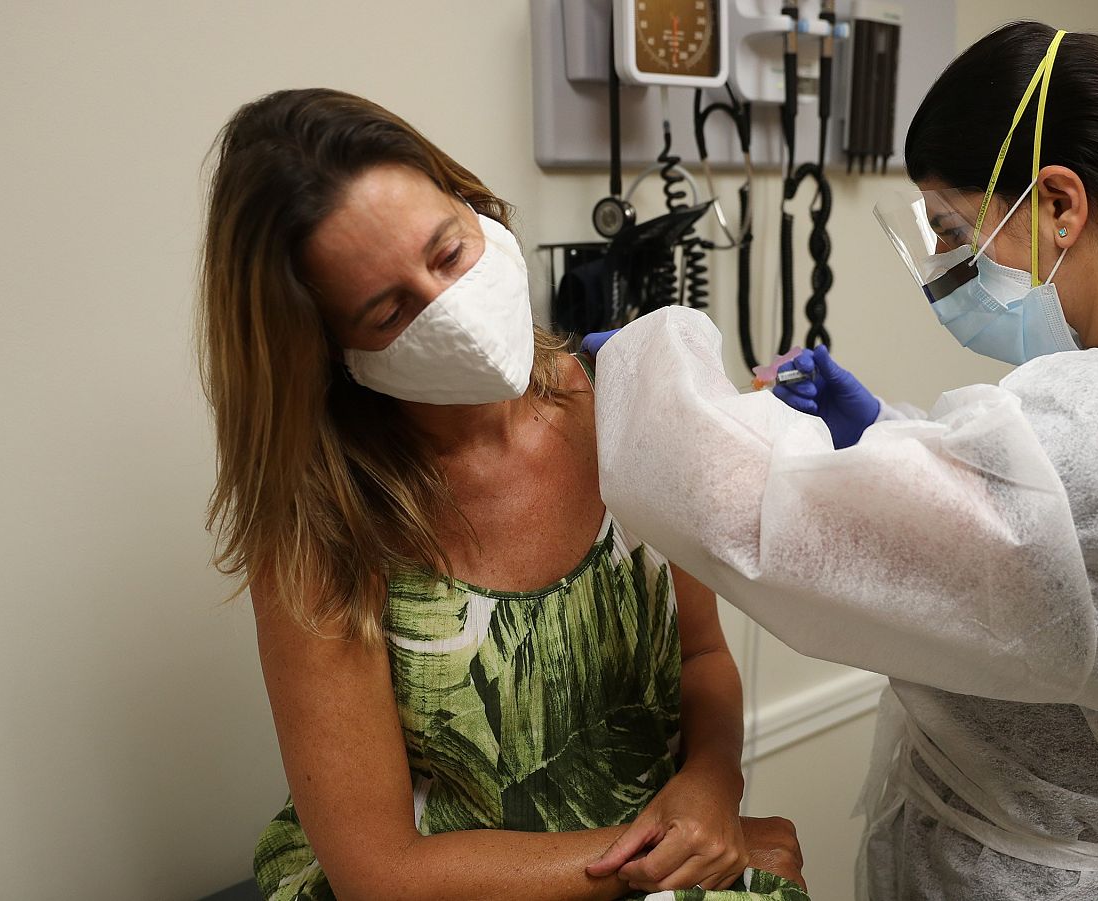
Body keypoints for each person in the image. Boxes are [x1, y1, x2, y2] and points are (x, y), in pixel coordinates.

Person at [584, 22, 1098, 900]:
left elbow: (744, 517)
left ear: (1062, 205)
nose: (949, 266)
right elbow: (1060, 561)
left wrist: (643, 372)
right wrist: (885, 436)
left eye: (955, 231)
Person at [197, 88, 807, 901]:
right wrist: (679, 858)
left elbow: (702, 656)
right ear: (332, 350)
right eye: (390, 309)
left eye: (448, 254)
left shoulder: (630, 408)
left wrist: (712, 789)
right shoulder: (324, 528)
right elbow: (383, 874)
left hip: (655, 842)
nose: (447, 307)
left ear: (474, 205)